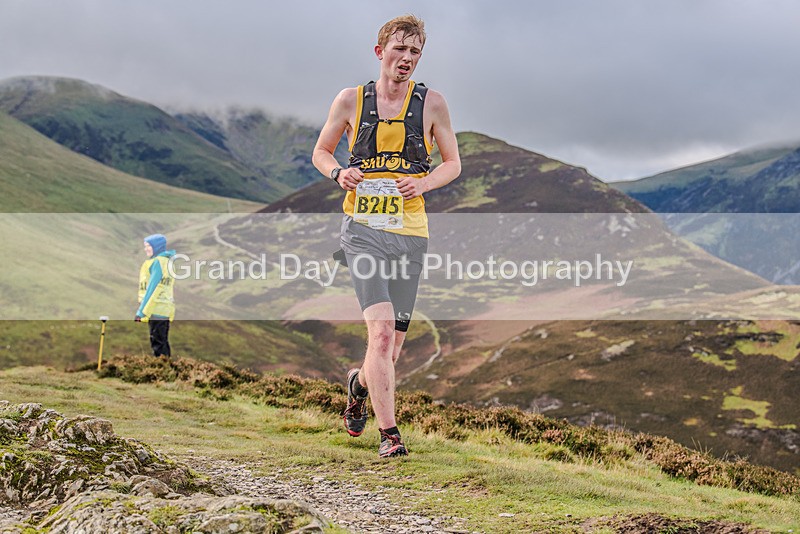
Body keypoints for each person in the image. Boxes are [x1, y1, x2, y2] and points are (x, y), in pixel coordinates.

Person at [312, 15, 461, 457]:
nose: (407, 59)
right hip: (362, 231)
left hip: (410, 234)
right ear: (381, 52)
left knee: (391, 353)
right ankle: (390, 436)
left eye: (415, 52)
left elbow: (452, 163)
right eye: (400, 50)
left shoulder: (433, 103)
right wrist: (339, 171)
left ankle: (359, 384)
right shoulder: (350, 100)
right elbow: (321, 151)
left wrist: (425, 183)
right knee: (378, 335)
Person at [135, 234, 176, 357]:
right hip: (164, 307)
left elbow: (152, 289)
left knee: (158, 343)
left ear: (156, 247)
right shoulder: (167, 262)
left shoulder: (157, 263)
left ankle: (162, 372)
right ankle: (166, 370)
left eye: (148, 246)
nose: (146, 249)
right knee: (162, 341)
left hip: (156, 307)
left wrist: (141, 312)